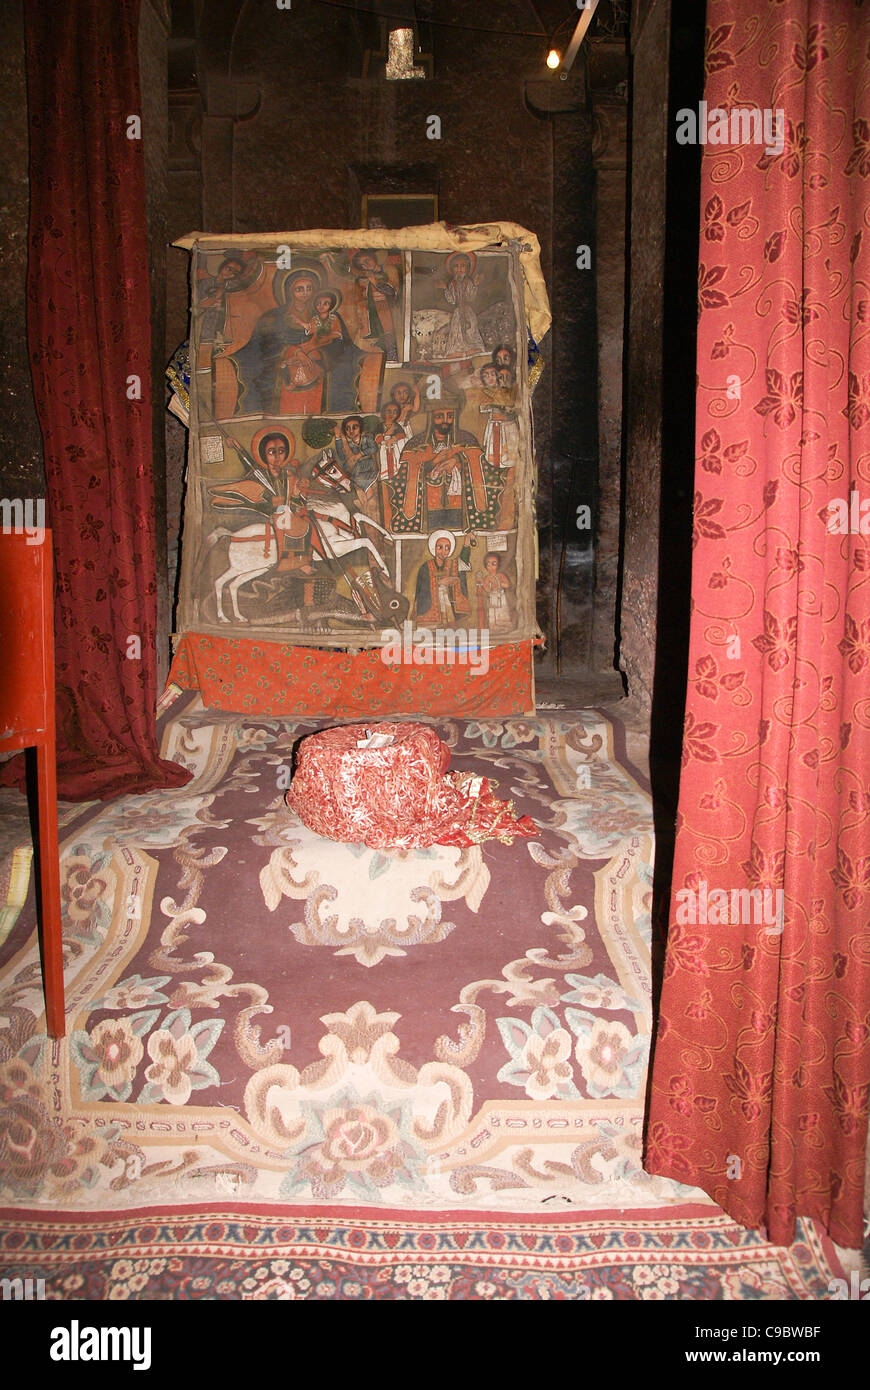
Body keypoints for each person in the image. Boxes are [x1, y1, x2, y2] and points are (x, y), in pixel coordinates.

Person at [388, 404, 503, 534]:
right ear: (431, 418)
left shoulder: (467, 439)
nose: (445, 420)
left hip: (460, 512)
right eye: (439, 416)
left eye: (449, 416)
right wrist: (433, 462)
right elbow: (406, 471)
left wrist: (458, 459)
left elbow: (479, 464)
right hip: (427, 513)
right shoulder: (416, 442)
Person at [413, 530, 472, 624]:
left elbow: (463, 560)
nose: (443, 551)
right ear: (434, 548)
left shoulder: (452, 564)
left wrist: (466, 542)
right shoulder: (426, 566)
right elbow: (422, 587)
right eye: (440, 547)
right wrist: (438, 583)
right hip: (432, 605)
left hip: (448, 602)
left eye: (447, 548)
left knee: (449, 624)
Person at [442, 252, 485, 359]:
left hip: (467, 311)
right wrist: (445, 289)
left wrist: (475, 285)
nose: (459, 269)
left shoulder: (468, 282)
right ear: (452, 269)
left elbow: (471, 297)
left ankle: (471, 349)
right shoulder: (452, 284)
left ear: (467, 268)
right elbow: (452, 300)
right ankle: (458, 351)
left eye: (462, 266)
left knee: (470, 329)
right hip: (458, 312)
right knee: (457, 330)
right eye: (456, 266)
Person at [476, 551, 513, 633]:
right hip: (492, 598)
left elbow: (507, 584)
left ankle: (505, 629)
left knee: (502, 613)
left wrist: (499, 583)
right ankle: (494, 629)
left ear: (498, 565)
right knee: (493, 614)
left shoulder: (500, 575)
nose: (491, 567)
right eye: (488, 564)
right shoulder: (487, 578)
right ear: (486, 566)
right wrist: (482, 582)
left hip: (501, 597)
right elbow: (487, 589)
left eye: (494, 564)